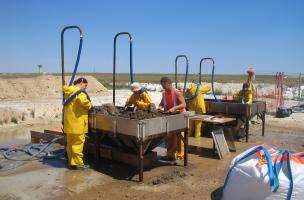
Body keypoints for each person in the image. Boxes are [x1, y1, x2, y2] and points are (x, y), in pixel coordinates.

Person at [63, 77, 93, 170]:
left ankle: (72, 162)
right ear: (81, 83)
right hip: (78, 124)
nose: (85, 88)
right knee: (78, 144)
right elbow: (84, 102)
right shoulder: (80, 92)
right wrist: (90, 105)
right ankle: (79, 164)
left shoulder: (68, 91)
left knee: (70, 144)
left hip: (69, 124)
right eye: (85, 85)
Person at [158, 77, 186, 163]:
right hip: (170, 116)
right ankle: (170, 155)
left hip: (180, 116)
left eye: (164, 86)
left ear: (169, 84)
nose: (163, 88)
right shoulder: (164, 93)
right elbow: (162, 103)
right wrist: (159, 107)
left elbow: (183, 104)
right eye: (162, 86)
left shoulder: (177, 93)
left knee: (179, 137)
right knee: (170, 137)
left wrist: (174, 108)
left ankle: (181, 156)